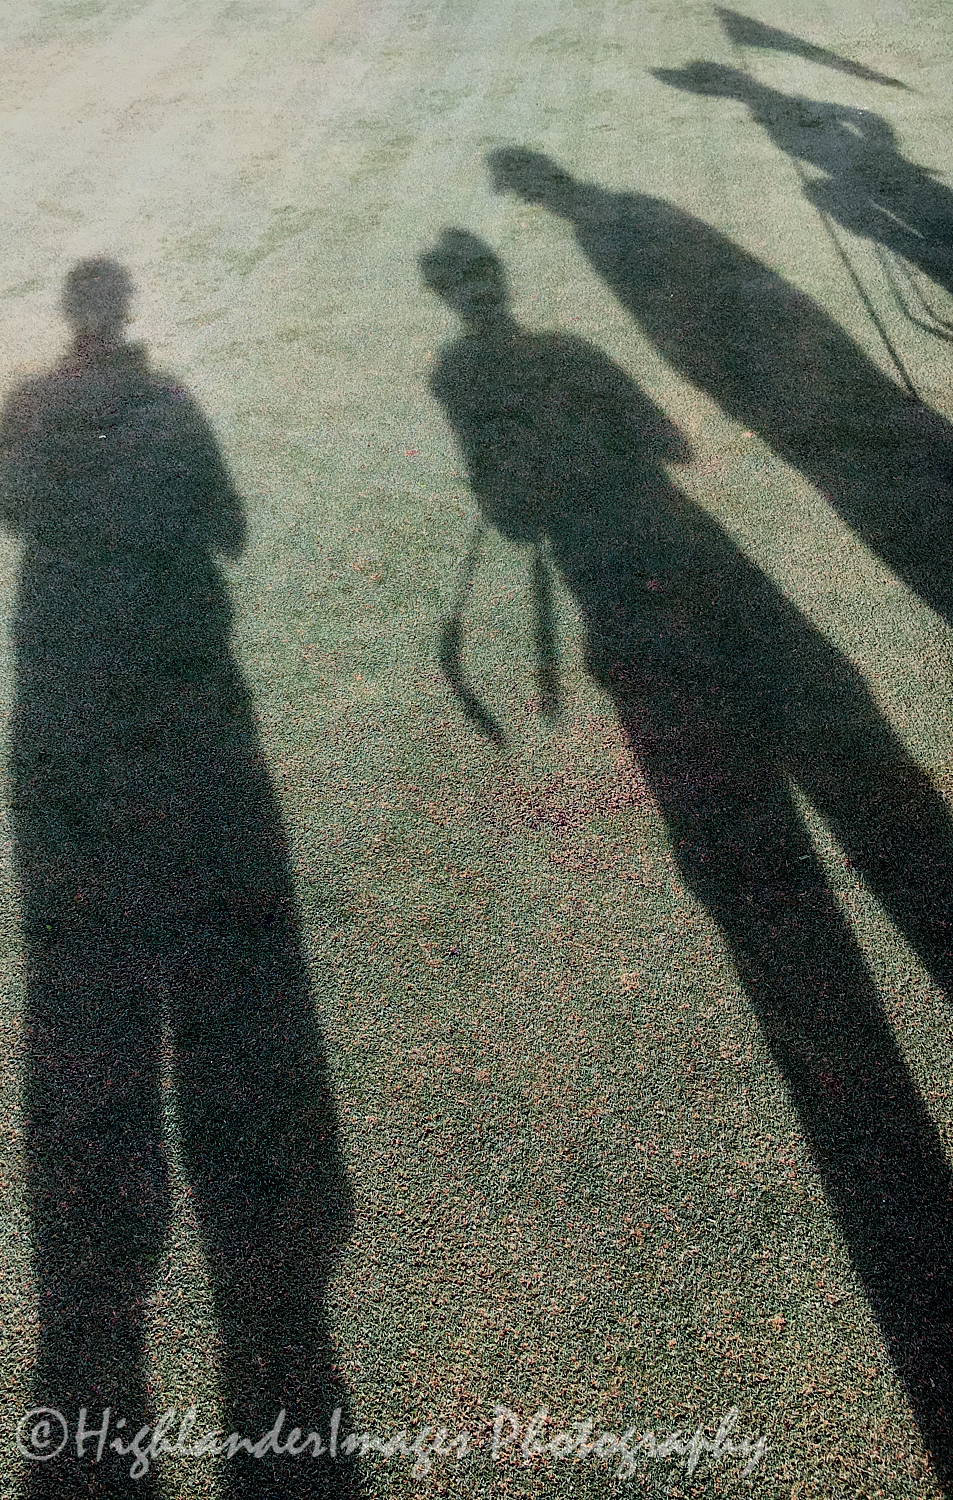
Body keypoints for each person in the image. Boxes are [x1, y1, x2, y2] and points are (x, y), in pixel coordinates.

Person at [420, 229, 953, 1479]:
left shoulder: (463, 383)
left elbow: (508, 511)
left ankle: (833, 1046)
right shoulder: (567, 350)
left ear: (449, 298)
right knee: (857, 769)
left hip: (619, 601)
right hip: (693, 558)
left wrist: (531, 477)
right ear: (500, 284)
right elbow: (670, 439)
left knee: (746, 862)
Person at [0, 259, 360, 1498]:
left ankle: (102, 1272)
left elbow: (11, 510)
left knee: (81, 974)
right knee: (224, 955)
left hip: (66, 704)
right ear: (129, 315)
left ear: (71, 320)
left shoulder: (30, 407)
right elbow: (228, 529)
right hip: (180, 701)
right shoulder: (174, 407)